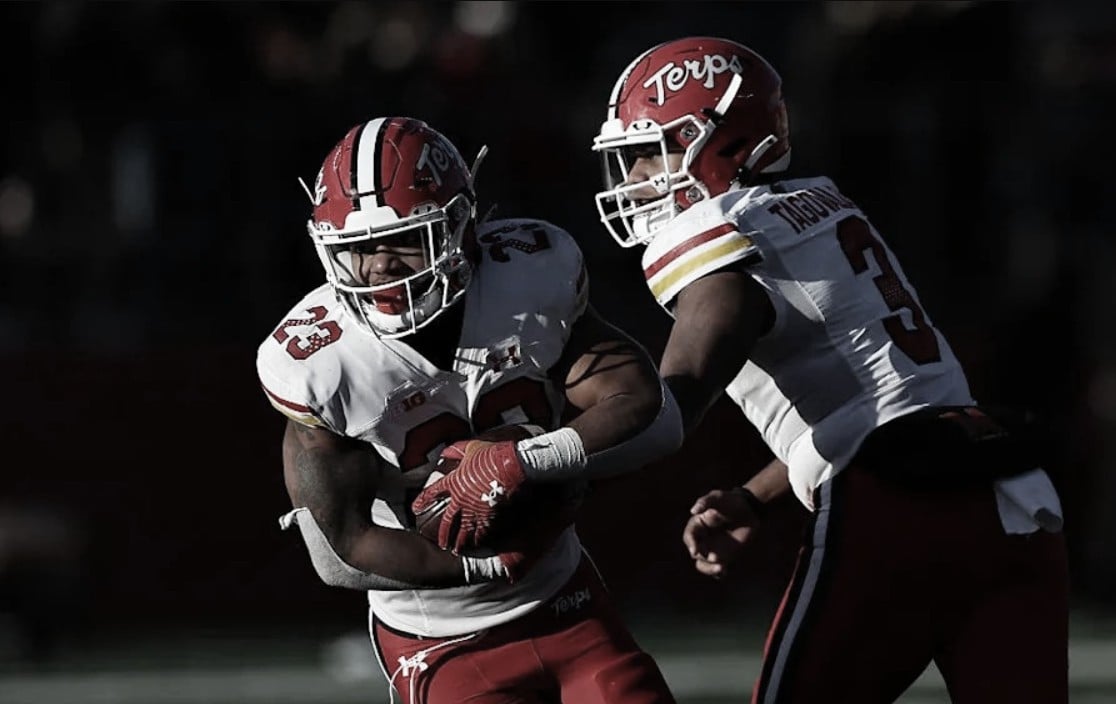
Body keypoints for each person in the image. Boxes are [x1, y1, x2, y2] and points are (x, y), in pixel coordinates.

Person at [590, 36, 1068, 703]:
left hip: (896, 505)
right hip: (1007, 489)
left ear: (721, 140)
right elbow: (881, 404)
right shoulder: (820, 205)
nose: (635, 175)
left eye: (652, 150)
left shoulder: (716, 235)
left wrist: (535, 455)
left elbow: (670, 409)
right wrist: (755, 493)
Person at [256, 116, 682, 704]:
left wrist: (523, 462)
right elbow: (340, 550)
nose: (379, 266)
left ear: (461, 226)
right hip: (437, 634)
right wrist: (489, 564)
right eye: (357, 248)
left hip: (564, 599)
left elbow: (640, 400)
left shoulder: (525, 277)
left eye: (405, 239)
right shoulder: (320, 360)